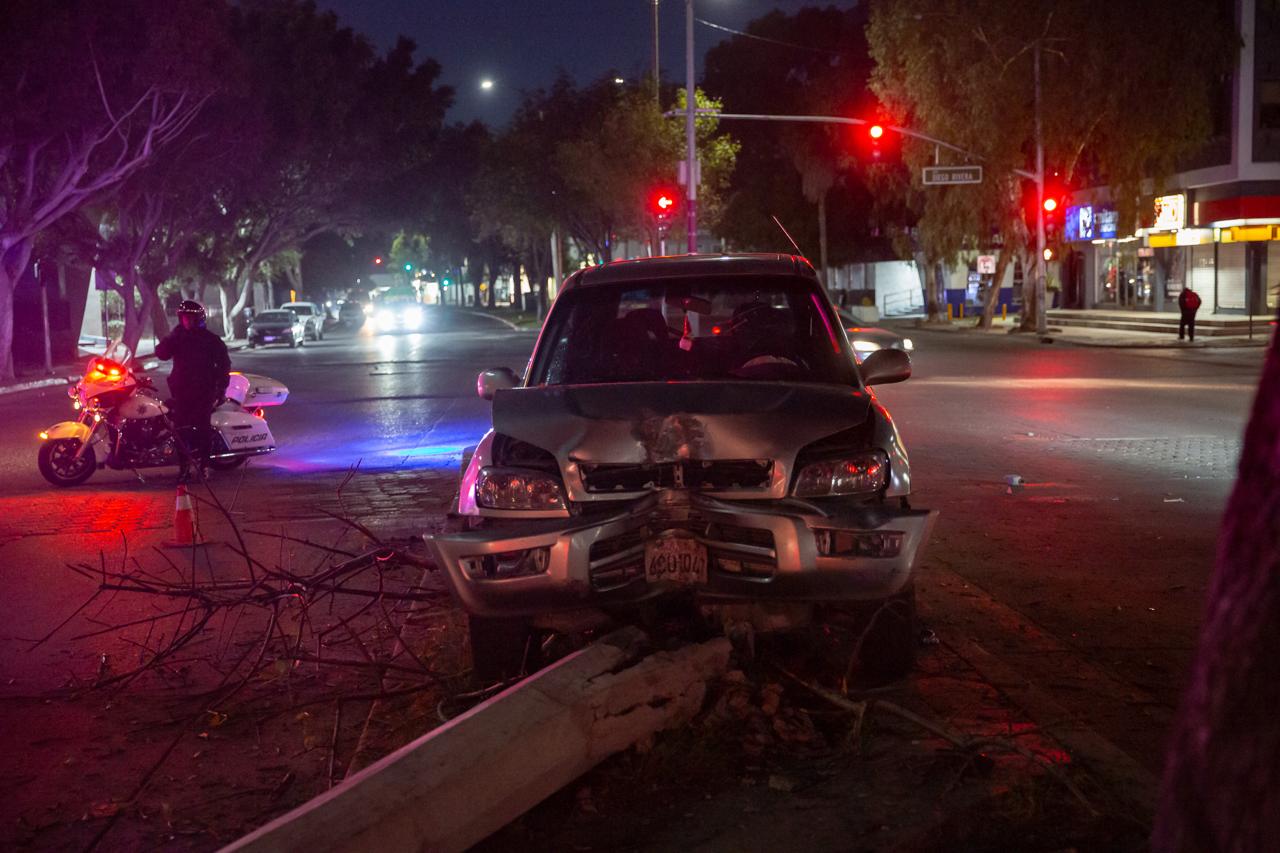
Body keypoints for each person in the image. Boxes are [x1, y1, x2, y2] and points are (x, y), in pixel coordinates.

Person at [155, 300, 231, 480]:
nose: (187, 322)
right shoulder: (178, 338)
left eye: (190, 318)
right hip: (181, 392)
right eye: (184, 318)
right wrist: (173, 337)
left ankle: (204, 466)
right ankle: (184, 468)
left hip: (204, 392)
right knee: (181, 430)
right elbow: (161, 353)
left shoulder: (211, 340)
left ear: (198, 319)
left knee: (202, 429)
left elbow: (224, 366)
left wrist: (220, 390)